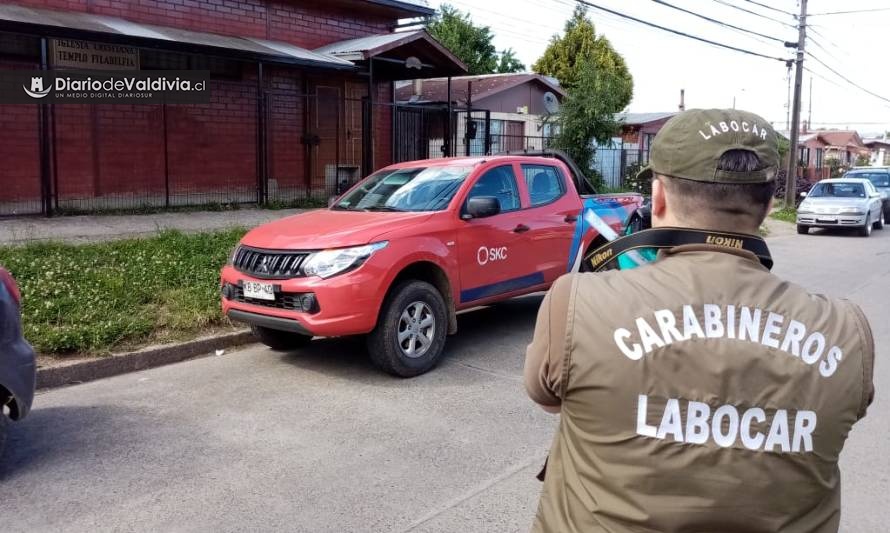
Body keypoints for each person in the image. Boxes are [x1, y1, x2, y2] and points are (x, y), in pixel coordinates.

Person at [524, 108, 875, 533]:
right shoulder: (845, 331)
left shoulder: (577, 302)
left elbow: (547, 399)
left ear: (658, 198)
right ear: (766, 207)